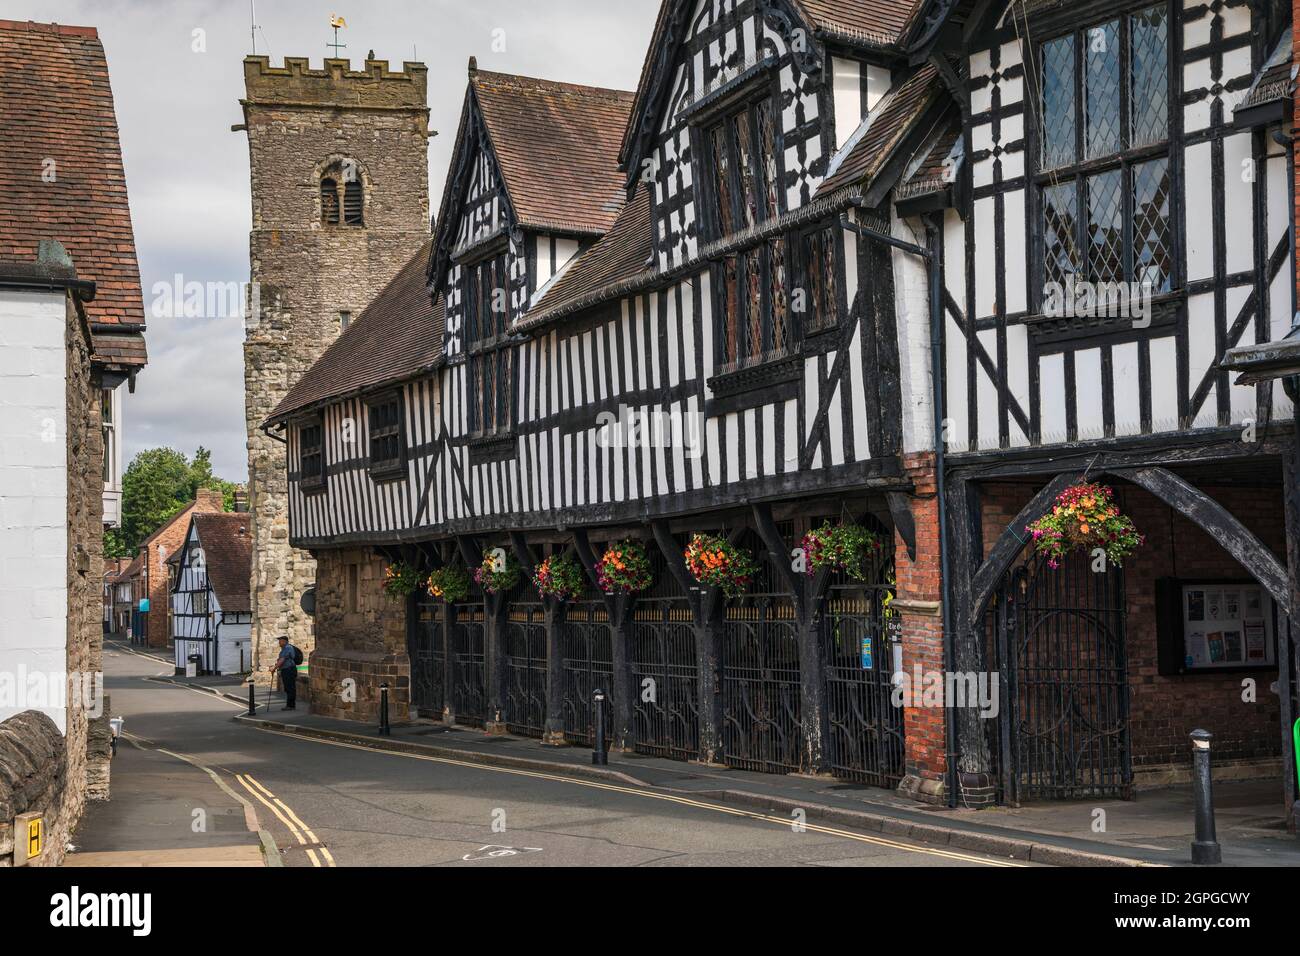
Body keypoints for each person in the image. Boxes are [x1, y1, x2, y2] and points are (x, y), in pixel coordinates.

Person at [271, 635, 301, 710]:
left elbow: (282, 660)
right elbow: (281, 660)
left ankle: (291, 706)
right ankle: (290, 705)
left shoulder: (287, 648)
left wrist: (274, 668)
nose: (279, 642)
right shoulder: (285, 648)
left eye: (280, 641)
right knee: (288, 688)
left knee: (290, 688)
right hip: (287, 670)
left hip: (289, 670)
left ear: (284, 641)